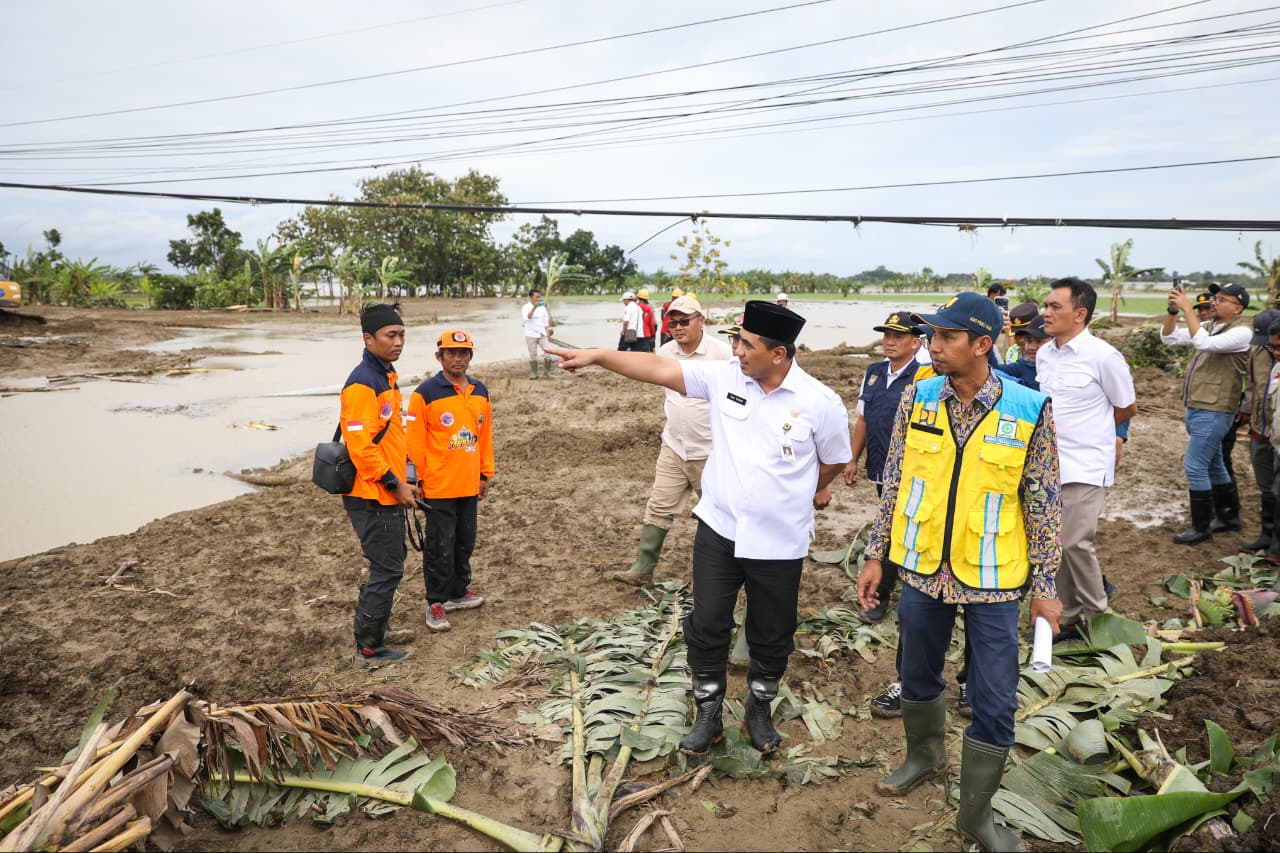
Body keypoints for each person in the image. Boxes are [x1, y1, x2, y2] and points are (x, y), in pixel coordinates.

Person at [548, 301, 851, 756]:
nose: (737, 350)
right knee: (707, 623)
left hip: (779, 540)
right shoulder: (726, 377)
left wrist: (792, 496)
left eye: (747, 344)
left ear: (780, 354)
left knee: (772, 632)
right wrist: (597, 355)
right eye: (736, 341)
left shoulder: (820, 403)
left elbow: (833, 462)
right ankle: (708, 710)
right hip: (720, 530)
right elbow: (656, 367)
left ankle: (759, 707)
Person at [856, 291, 1062, 852]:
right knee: (918, 677)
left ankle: (976, 816)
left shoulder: (1028, 408)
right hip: (922, 569)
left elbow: (1043, 503)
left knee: (995, 700)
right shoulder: (917, 398)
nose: (934, 346)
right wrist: (877, 554)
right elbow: (896, 484)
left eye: (946, 337)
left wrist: (1045, 589)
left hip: (995, 579)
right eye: (932, 336)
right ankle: (924, 756)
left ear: (982, 343)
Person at [1037, 278, 1138, 642]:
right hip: (1049, 465)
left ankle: (1099, 616)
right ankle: (1070, 618)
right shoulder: (1046, 353)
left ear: (1080, 314)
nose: (1046, 313)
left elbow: (1126, 406)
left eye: (1055, 307)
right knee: (1055, 544)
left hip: (1085, 464)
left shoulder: (1103, 356)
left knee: (1075, 541)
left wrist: (1096, 432)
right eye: (1046, 306)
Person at [615, 295, 733, 585]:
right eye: (673, 322)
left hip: (710, 451)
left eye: (684, 321)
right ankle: (643, 569)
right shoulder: (666, 351)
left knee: (720, 514)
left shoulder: (722, 353)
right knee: (659, 505)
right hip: (674, 444)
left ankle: (731, 573)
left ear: (700, 321)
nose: (678, 327)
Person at [341, 302, 418, 666]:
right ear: (368, 338)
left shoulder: (386, 377)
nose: (398, 341)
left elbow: (390, 437)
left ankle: (377, 629)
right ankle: (369, 647)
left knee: (391, 561)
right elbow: (361, 449)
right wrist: (394, 484)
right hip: (371, 495)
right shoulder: (361, 384)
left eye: (402, 334)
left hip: (386, 489)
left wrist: (407, 474)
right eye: (391, 335)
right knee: (387, 567)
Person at [843, 312, 932, 620]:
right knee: (893, 527)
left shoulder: (925, 376)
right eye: (886, 335)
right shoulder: (874, 372)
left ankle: (881, 595)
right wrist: (853, 458)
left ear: (916, 341)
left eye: (898, 336)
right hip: (881, 466)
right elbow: (864, 419)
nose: (889, 341)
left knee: (896, 530)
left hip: (912, 471)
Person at [407, 329, 495, 632]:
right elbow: (414, 442)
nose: (458, 359)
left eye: (463, 353)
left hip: (468, 483)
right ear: (439, 357)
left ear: (470, 356)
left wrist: (484, 474)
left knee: (464, 541)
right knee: (438, 546)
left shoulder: (480, 391)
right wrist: (414, 480)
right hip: (437, 485)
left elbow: (484, 437)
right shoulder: (425, 394)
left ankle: (458, 592)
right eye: (451, 353)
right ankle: (435, 601)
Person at [1161, 282, 1252, 544]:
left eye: (1222, 299)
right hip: (1199, 407)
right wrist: (1172, 312)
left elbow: (1203, 344)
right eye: (1216, 297)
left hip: (1215, 409)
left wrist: (1189, 308)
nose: (1215, 301)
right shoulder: (1210, 327)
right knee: (1214, 464)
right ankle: (1228, 517)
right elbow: (1168, 337)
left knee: (1194, 465)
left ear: (1238, 308)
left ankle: (1201, 527)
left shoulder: (1242, 332)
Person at [1243, 306, 1280, 550]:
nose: (1273, 351)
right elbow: (1253, 384)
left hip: (1277, 434)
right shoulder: (1259, 351)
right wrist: (1246, 408)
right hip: (1261, 427)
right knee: (1266, 486)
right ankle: (1268, 535)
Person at [522, 288, 555, 380]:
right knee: (533, 354)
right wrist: (534, 307)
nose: (538, 299)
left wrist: (548, 333)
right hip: (531, 334)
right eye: (536, 297)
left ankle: (547, 372)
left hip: (542, 334)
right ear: (530, 297)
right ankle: (534, 373)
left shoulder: (542, 307)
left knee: (548, 352)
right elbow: (528, 317)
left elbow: (545, 321)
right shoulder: (525, 307)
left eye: (539, 297)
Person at [637, 288, 657, 353]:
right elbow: (652, 323)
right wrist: (653, 334)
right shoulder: (649, 307)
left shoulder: (635, 306)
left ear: (638, 297)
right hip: (647, 332)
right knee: (649, 350)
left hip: (637, 333)